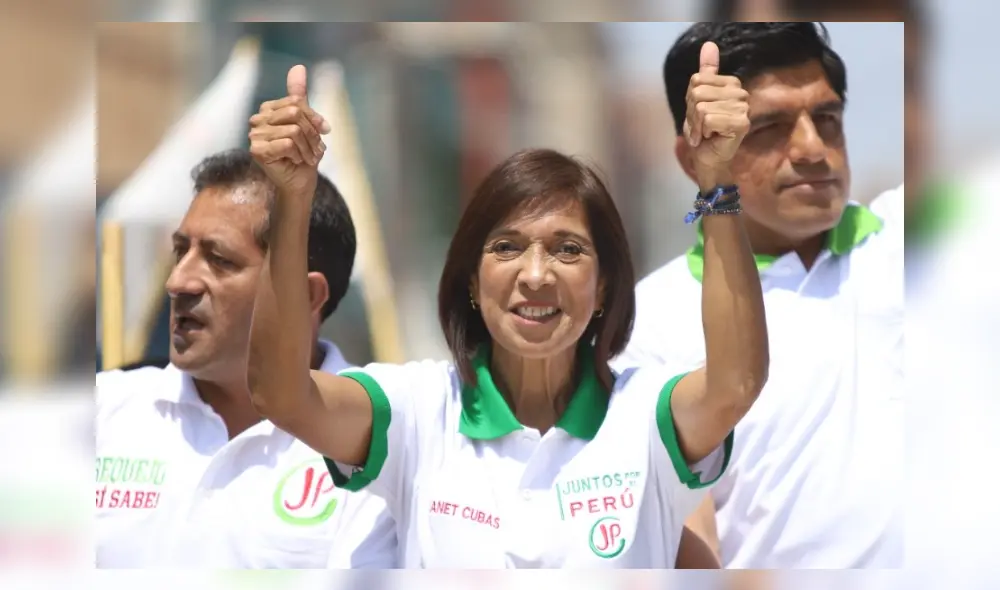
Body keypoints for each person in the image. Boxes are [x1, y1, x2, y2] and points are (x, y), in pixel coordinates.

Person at [244, 56, 767, 568]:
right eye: (506, 248)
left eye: (568, 250)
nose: (536, 275)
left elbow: (736, 382)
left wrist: (717, 180)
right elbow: (281, 393)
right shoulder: (418, 412)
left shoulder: (646, 414)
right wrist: (292, 199)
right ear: (471, 280)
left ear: (604, 286)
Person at [614, 22, 903, 568]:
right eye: (768, 127)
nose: (813, 149)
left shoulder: (916, 244)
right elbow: (681, 535)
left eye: (827, 118)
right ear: (691, 157)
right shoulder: (648, 324)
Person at [95, 148, 396, 568]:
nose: (178, 281)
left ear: (305, 295)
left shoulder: (383, 450)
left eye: (219, 260)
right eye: (181, 251)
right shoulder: (100, 412)